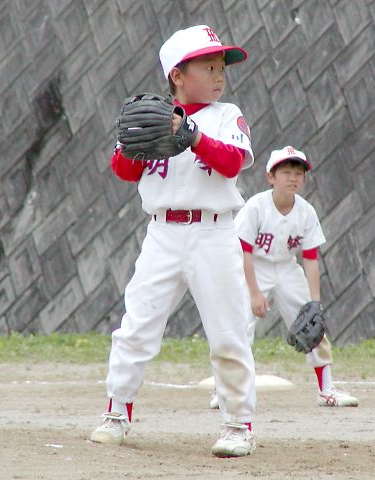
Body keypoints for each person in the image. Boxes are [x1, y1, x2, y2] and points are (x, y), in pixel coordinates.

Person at [89, 25, 257, 458]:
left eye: (221, 68)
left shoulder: (226, 114)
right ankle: (116, 412)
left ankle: (238, 425)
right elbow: (124, 171)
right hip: (162, 234)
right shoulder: (152, 116)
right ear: (177, 76)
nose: (219, 76)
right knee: (136, 327)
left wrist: (193, 135)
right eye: (208, 67)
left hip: (214, 233)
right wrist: (133, 144)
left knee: (228, 332)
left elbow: (232, 163)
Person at [209, 146, 359, 409]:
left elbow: (310, 258)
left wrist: (315, 302)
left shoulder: (306, 212)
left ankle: (326, 390)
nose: (293, 178)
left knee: (313, 326)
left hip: (288, 269)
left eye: (298, 173)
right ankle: (225, 391)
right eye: (286, 172)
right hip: (254, 268)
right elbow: (243, 252)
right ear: (271, 177)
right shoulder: (256, 207)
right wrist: (255, 293)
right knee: (239, 328)